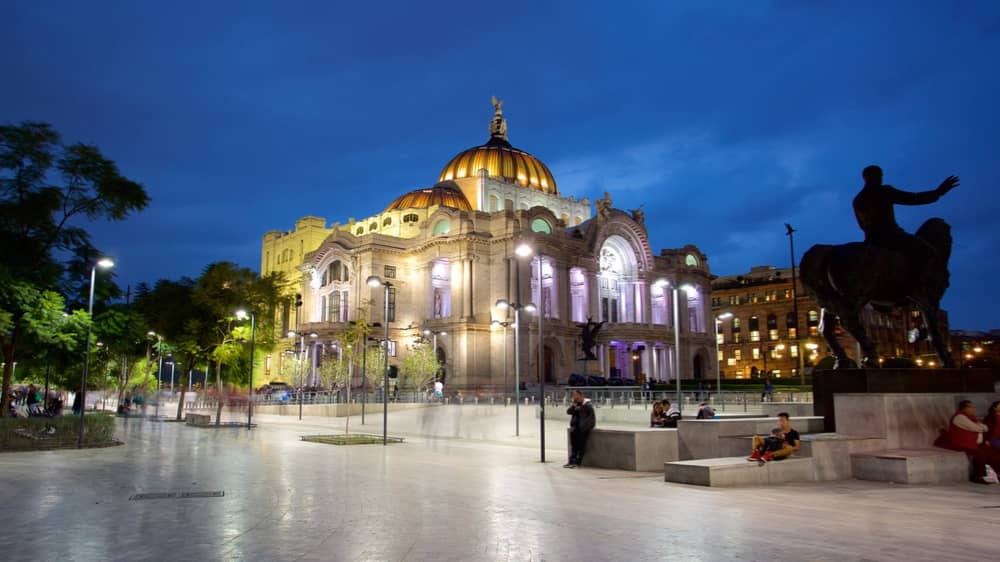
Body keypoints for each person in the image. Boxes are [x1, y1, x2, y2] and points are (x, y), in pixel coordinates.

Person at [852, 166, 958, 276]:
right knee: (928, 252)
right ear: (876, 176)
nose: (881, 178)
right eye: (880, 175)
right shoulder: (884, 191)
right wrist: (938, 192)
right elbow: (913, 198)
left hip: (871, 240)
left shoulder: (857, 200)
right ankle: (914, 283)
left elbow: (862, 226)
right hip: (892, 237)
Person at [937, 400, 1000, 484]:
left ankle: (996, 474)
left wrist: (980, 427)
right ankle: (978, 476)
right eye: (971, 407)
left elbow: (985, 428)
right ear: (964, 408)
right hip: (959, 444)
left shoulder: (970, 417)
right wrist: (980, 427)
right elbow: (976, 428)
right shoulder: (959, 417)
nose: (973, 409)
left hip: (971, 443)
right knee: (979, 453)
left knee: (991, 452)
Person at [565, 390, 595, 468]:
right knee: (573, 445)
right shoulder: (576, 404)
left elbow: (591, 419)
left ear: (581, 396)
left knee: (580, 446)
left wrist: (586, 428)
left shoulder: (587, 405)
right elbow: (568, 412)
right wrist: (573, 405)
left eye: (576, 395)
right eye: (574, 396)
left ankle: (577, 462)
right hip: (574, 428)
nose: (574, 397)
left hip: (582, 429)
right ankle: (571, 461)